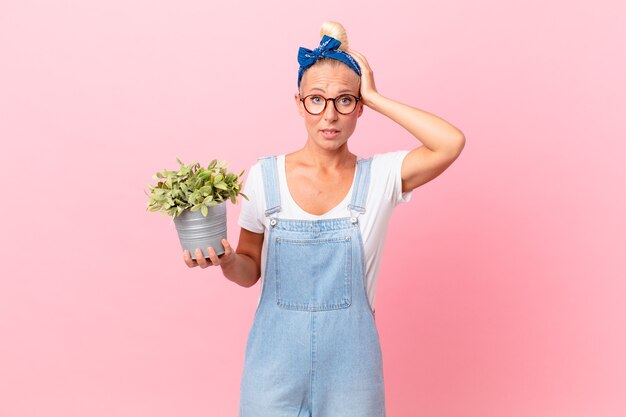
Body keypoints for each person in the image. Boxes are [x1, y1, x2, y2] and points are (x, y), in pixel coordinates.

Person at [183, 21, 465, 417]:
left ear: (358, 108)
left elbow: (450, 142)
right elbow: (249, 270)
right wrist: (228, 261)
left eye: (344, 101)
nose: (329, 115)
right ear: (298, 104)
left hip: (352, 372)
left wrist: (376, 95)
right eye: (316, 99)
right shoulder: (265, 176)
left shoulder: (381, 177)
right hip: (273, 369)